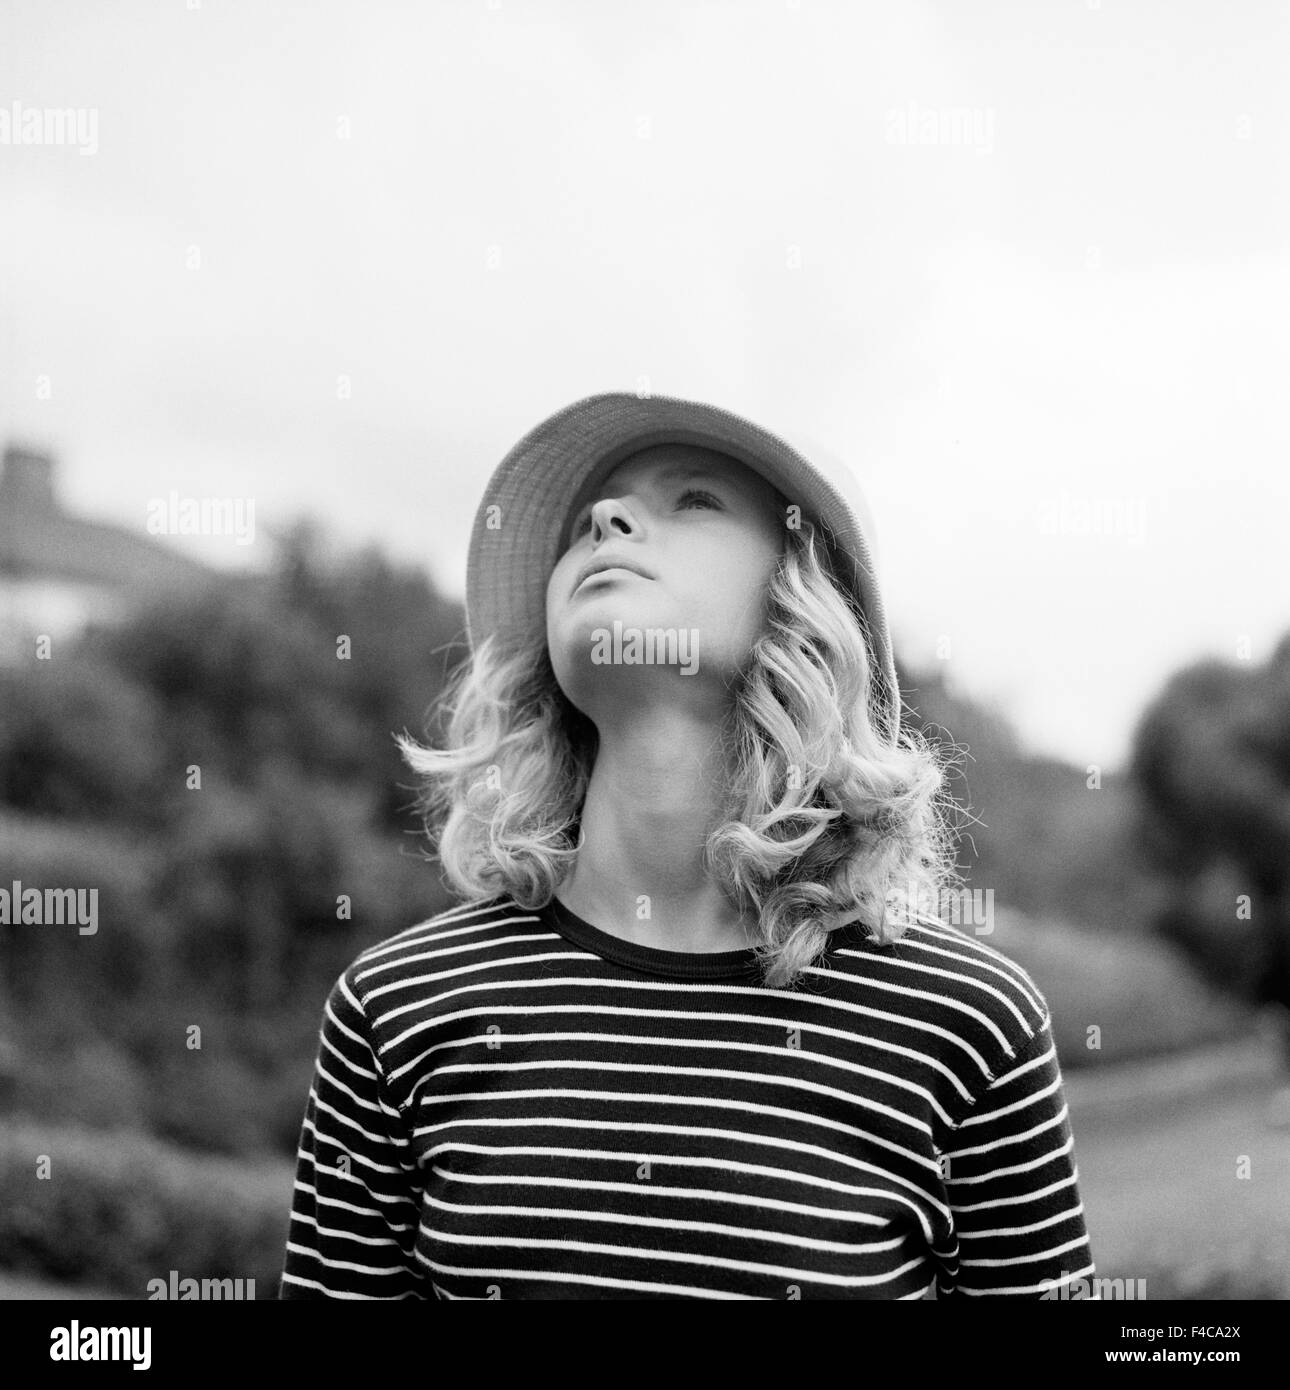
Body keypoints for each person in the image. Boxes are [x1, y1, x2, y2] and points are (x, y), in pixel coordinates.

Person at [279, 392, 1095, 1300]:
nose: (604, 519)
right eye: (592, 516)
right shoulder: (394, 1012)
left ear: (803, 608)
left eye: (694, 500)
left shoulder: (970, 1025)